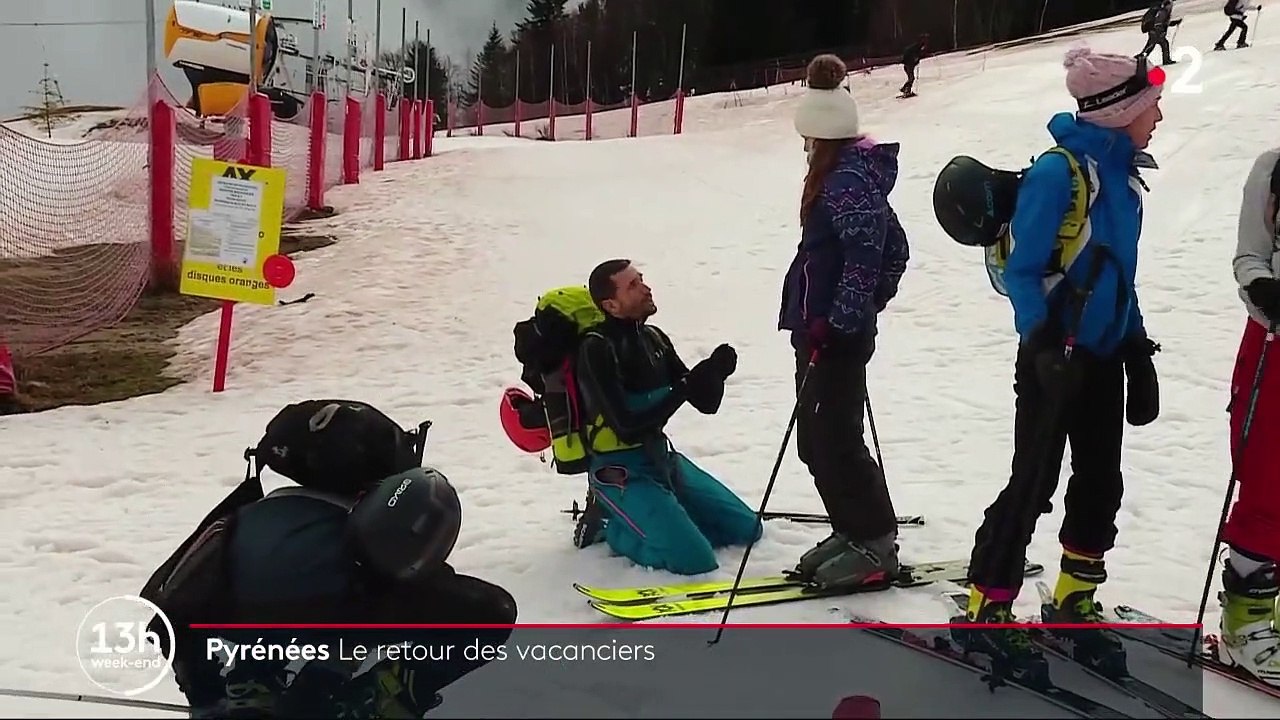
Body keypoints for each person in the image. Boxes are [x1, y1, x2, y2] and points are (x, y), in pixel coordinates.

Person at [954, 46, 1164, 686]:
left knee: (1101, 482)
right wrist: (1042, 343)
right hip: (1053, 358)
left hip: (1100, 357)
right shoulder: (1059, 173)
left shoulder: (1124, 174)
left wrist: (1136, 346)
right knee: (1034, 481)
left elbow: (1115, 276)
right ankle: (987, 604)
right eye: (1151, 105)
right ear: (1118, 110)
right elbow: (1024, 271)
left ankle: (1075, 597)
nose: (1159, 115)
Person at [139, 400, 517, 718]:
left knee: (297, 608)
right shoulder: (365, 525)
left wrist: (207, 699)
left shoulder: (247, 515)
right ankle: (379, 695)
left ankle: (253, 682)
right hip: (331, 610)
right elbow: (437, 597)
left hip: (238, 618)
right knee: (485, 613)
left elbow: (171, 611)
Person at [779, 54, 910, 591]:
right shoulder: (841, 174)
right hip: (820, 330)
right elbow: (894, 247)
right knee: (816, 438)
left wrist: (844, 320)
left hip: (834, 336)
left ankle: (874, 541)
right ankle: (851, 529)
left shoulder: (849, 181)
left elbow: (871, 253)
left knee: (834, 438)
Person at [572, 258, 762, 576]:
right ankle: (608, 524)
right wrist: (686, 386)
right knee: (695, 561)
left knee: (747, 530)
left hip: (662, 459)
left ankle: (668, 523)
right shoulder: (597, 349)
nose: (646, 288)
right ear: (611, 305)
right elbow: (627, 427)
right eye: (633, 285)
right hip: (621, 471)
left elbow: (705, 403)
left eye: (642, 279)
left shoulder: (653, 338)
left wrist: (715, 372)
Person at [1216, 147, 1280, 686]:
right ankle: (1246, 623)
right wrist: (1263, 289)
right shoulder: (1274, 167)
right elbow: (1249, 257)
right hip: (1275, 344)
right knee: (1269, 479)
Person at [1138, 0, 1175, 65]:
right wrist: (1160, 33)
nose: (1171, 7)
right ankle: (1140, 60)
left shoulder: (1164, 12)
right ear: (1167, 5)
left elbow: (1165, 23)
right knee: (1151, 46)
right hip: (1155, 32)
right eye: (1170, 5)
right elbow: (1158, 23)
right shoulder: (1163, 12)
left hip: (1154, 31)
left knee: (1157, 45)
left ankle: (1140, 59)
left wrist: (1174, 23)